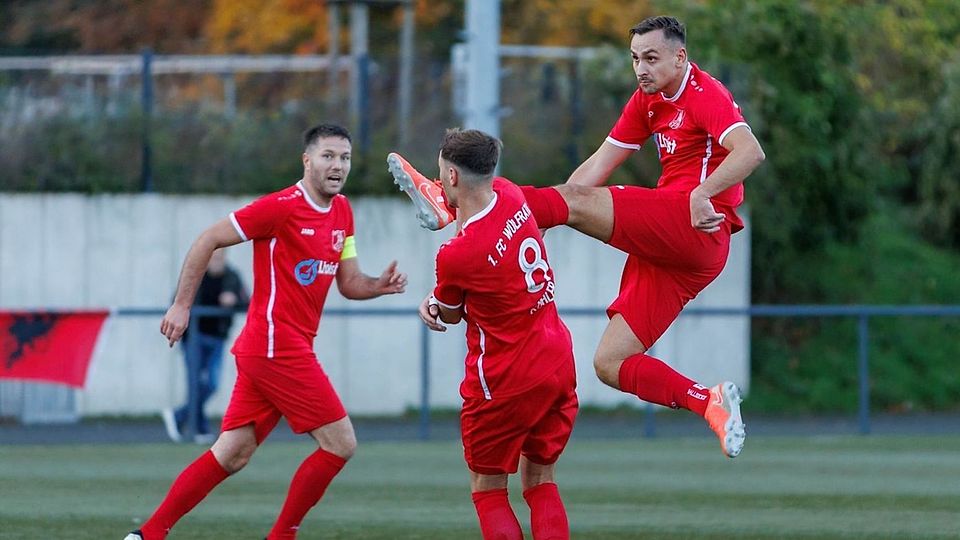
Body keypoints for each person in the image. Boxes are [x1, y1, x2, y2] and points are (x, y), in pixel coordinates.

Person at [398, 16, 764, 459]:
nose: (641, 69)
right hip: (676, 247)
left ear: (680, 56)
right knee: (610, 363)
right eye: (634, 59)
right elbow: (595, 168)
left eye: (651, 58)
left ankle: (451, 199)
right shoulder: (647, 102)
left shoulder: (705, 94)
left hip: (696, 228)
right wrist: (545, 219)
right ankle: (709, 402)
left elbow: (750, 151)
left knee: (574, 201)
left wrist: (703, 194)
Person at [125, 123, 407, 540]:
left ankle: (147, 534)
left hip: (272, 349)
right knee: (341, 443)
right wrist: (182, 305)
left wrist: (376, 287)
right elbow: (208, 239)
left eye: (344, 157)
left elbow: (349, 283)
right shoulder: (280, 207)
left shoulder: (343, 212)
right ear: (307, 161)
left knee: (232, 454)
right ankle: (281, 536)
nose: (338, 165)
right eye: (328, 155)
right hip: (277, 345)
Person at [388, 128, 577, 540]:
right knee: (541, 478)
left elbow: (453, 314)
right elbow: (488, 256)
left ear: (452, 178)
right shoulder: (511, 194)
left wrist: (434, 302)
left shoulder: (455, 255)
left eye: (441, 177)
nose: (441, 181)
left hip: (506, 379)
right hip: (558, 359)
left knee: (488, 488)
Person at [162, 248, 248, 444]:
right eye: (213, 257)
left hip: (217, 338)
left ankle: (179, 416)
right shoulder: (196, 277)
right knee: (195, 383)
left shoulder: (232, 277)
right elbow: (177, 302)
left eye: (220, 257)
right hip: (194, 338)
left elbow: (248, 302)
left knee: (211, 383)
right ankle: (199, 426)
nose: (217, 261)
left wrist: (234, 301)